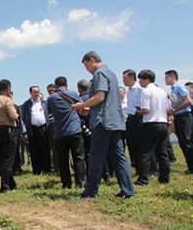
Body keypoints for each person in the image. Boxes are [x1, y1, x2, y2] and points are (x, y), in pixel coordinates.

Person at [72, 51, 135, 199]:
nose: (87, 69)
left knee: (96, 156)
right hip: (115, 121)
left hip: (103, 122)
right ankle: (128, 189)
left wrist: (81, 105)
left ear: (92, 60)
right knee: (119, 156)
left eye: (87, 65)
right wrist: (90, 107)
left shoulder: (99, 74)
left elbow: (100, 96)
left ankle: (90, 192)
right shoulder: (111, 74)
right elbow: (106, 99)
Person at [47, 77, 85, 189]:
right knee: (78, 158)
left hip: (59, 132)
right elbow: (82, 106)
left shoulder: (51, 98)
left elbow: (49, 114)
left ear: (55, 86)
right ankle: (80, 182)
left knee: (63, 160)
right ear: (66, 85)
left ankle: (66, 184)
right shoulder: (73, 94)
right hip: (74, 130)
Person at [135, 70, 171, 185]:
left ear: (147, 79)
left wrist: (138, 112)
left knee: (146, 152)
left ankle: (143, 179)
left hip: (151, 124)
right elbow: (168, 109)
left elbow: (146, 110)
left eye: (140, 79)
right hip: (163, 123)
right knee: (163, 152)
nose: (139, 81)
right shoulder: (162, 91)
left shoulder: (146, 91)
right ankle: (164, 178)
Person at [0, 79, 19, 192]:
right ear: (8, 89)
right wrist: (17, 114)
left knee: (3, 157)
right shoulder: (7, 100)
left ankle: (12, 183)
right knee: (8, 160)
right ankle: (5, 186)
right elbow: (13, 116)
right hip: (8, 130)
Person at [165, 70, 193, 174]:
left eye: (166, 77)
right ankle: (190, 165)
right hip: (178, 117)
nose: (165, 80)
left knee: (187, 141)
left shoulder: (179, 87)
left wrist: (175, 109)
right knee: (183, 142)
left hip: (184, 116)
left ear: (172, 77)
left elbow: (188, 101)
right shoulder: (172, 90)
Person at [21, 86, 51, 175]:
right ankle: (37, 170)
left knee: (45, 149)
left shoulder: (44, 103)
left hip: (43, 128)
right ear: (30, 93)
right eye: (35, 92)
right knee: (34, 150)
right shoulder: (26, 104)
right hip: (32, 129)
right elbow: (23, 117)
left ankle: (46, 169)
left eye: (38, 92)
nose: (37, 94)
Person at [122, 69, 143, 173]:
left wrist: (138, 111)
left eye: (125, 78)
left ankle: (146, 168)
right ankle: (137, 167)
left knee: (140, 144)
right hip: (130, 118)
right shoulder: (129, 91)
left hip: (138, 118)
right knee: (132, 144)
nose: (123, 80)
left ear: (132, 77)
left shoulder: (140, 89)